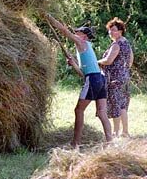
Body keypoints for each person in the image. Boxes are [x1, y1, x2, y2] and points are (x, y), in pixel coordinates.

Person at [45, 14, 112, 147]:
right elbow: (83, 74)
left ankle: (75, 143)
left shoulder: (81, 42)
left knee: (78, 110)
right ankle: (110, 142)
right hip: (100, 78)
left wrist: (49, 18)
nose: (75, 34)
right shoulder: (85, 47)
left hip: (93, 79)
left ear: (84, 36)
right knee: (101, 112)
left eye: (78, 32)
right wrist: (74, 64)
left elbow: (64, 31)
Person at [98, 17, 133, 138]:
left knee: (115, 106)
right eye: (110, 30)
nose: (111, 32)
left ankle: (116, 132)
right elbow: (130, 61)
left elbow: (108, 60)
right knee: (122, 105)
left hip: (114, 79)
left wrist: (97, 62)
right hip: (124, 77)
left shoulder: (116, 44)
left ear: (120, 31)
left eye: (114, 30)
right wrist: (124, 70)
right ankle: (125, 132)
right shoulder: (126, 43)